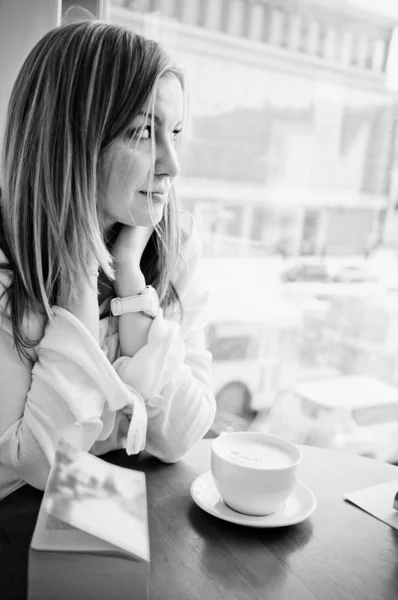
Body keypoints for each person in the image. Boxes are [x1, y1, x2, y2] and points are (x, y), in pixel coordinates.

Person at [0, 18, 216, 500]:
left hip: (124, 508)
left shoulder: (172, 242)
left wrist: (130, 278)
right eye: (142, 132)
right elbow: (40, 464)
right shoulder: (8, 258)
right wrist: (79, 269)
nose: (172, 164)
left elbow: (185, 431)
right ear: (71, 142)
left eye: (174, 131)